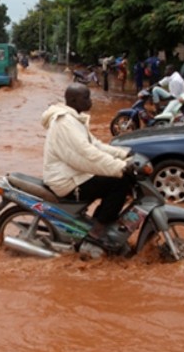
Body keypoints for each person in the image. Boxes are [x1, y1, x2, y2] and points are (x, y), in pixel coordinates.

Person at [41, 83, 136, 249]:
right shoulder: (65, 123)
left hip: (74, 175)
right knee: (118, 183)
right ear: (73, 100)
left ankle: (98, 222)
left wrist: (122, 154)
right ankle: (96, 233)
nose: (90, 101)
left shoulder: (74, 120)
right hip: (67, 181)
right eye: (86, 98)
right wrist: (119, 167)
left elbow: (95, 145)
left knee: (117, 180)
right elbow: (87, 156)